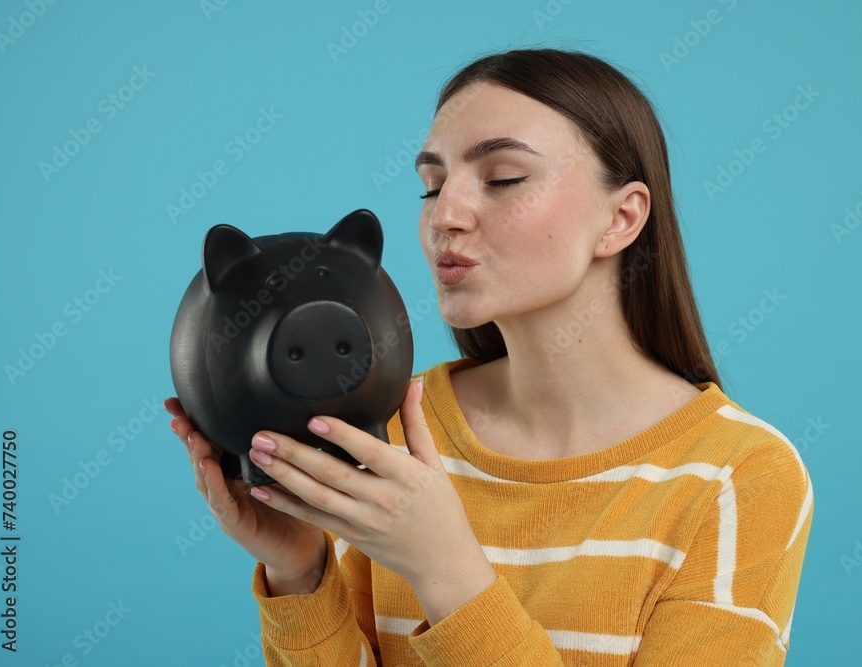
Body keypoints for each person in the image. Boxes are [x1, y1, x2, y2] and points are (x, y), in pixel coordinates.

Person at [165, 47, 814, 666]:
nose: (446, 213)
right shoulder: (382, 429)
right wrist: (300, 571)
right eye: (430, 185)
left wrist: (446, 569)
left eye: (502, 178)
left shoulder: (740, 480)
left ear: (621, 219)